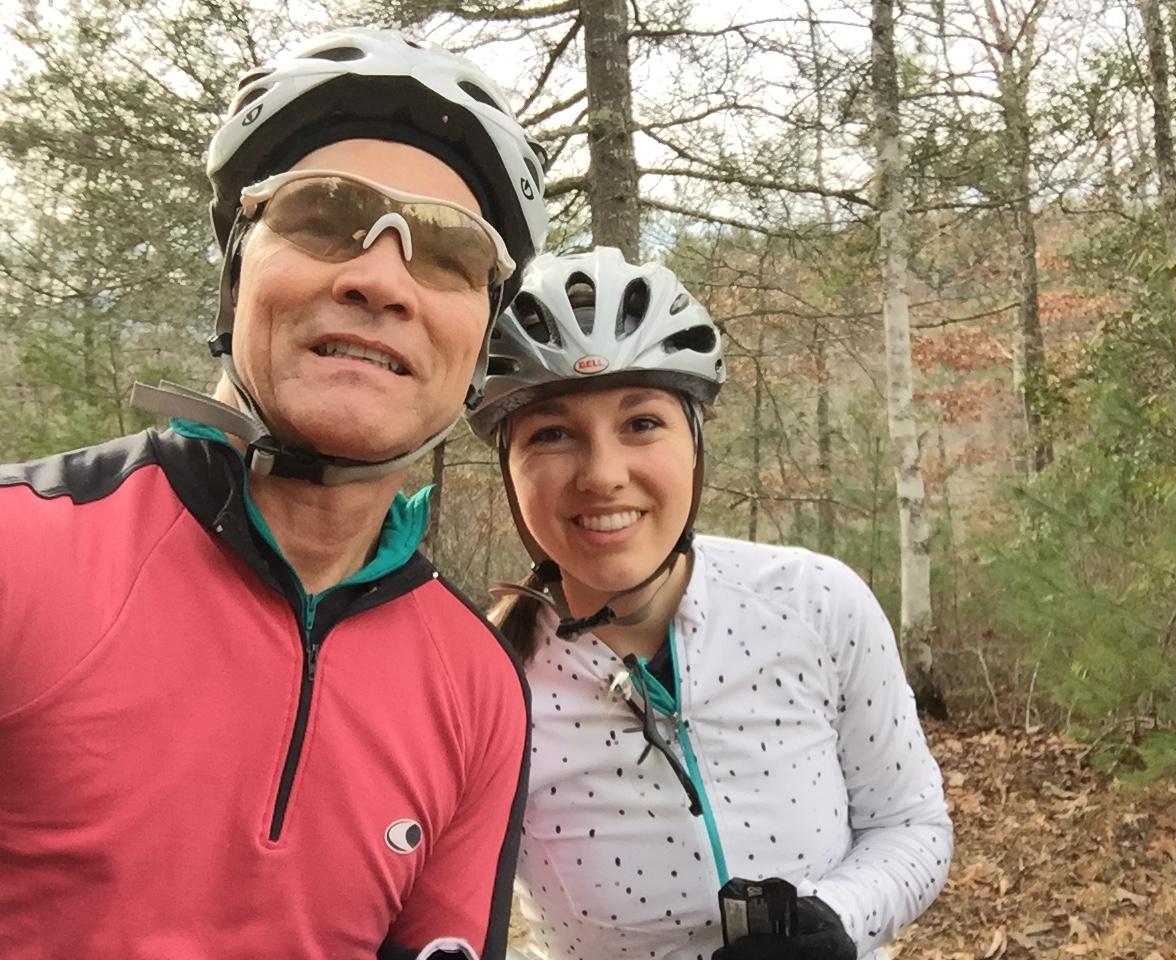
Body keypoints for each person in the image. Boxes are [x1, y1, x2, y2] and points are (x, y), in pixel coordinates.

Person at [0, 27, 546, 960]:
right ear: (235, 274)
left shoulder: (479, 686)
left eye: (450, 251)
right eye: (324, 215)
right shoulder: (19, 555)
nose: (377, 279)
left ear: (480, 343)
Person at [467, 248, 953, 960]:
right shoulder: (485, 681)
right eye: (552, 434)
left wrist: (834, 919)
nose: (603, 475)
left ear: (695, 445)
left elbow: (913, 825)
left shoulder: (816, 605)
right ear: (509, 473)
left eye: (641, 423)